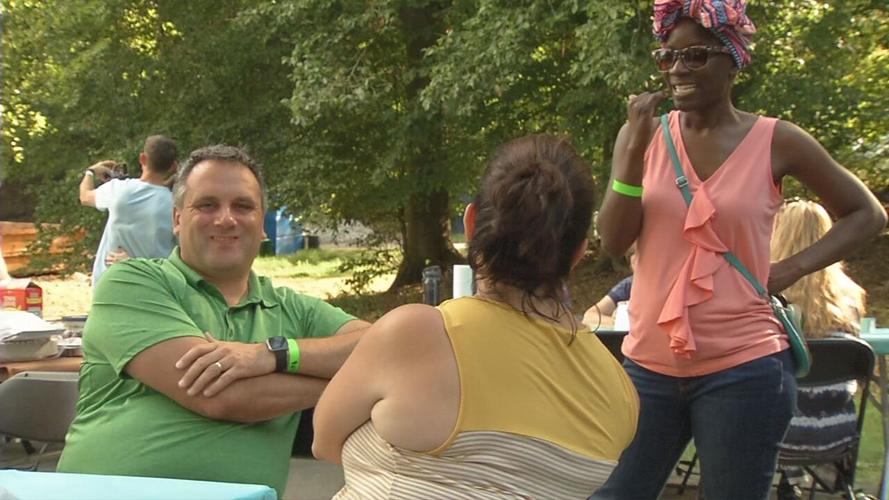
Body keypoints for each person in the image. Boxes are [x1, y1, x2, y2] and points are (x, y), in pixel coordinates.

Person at [592, 0, 887, 498]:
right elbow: (615, 243)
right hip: (648, 368)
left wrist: (790, 268)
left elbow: (868, 214)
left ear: (734, 60)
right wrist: (630, 158)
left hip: (745, 370)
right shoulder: (642, 136)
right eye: (668, 57)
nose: (678, 69)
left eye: (696, 56)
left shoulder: (778, 140)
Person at [312, 134, 640, 498]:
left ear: (470, 224)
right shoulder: (621, 394)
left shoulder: (414, 334)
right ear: (580, 251)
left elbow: (324, 444)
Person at [58, 145, 370, 497]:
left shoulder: (294, 309)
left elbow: (387, 348)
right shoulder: (133, 282)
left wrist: (273, 355)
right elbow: (222, 396)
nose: (225, 219)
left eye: (243, 206)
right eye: (207, 205)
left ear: (262, 223)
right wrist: (353, 382)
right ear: (177, 219)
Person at [772, 200, 867, 499]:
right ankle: (798, 483)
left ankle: (788, 481)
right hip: (835, 436)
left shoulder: (766, 296)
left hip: (772, 437)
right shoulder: (849, 298)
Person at [79, 135, 179, 286]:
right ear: (173, 167)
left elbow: (85, 196)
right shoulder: (177, 206)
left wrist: (91, 171)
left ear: (143, 159)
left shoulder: (118, 190)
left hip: (110, 285)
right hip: (155, 287)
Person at [583, 247, 636, 329]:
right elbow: (589, 316)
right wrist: (620, 321)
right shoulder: (628, 286)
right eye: (634, 263)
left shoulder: (662, 286)